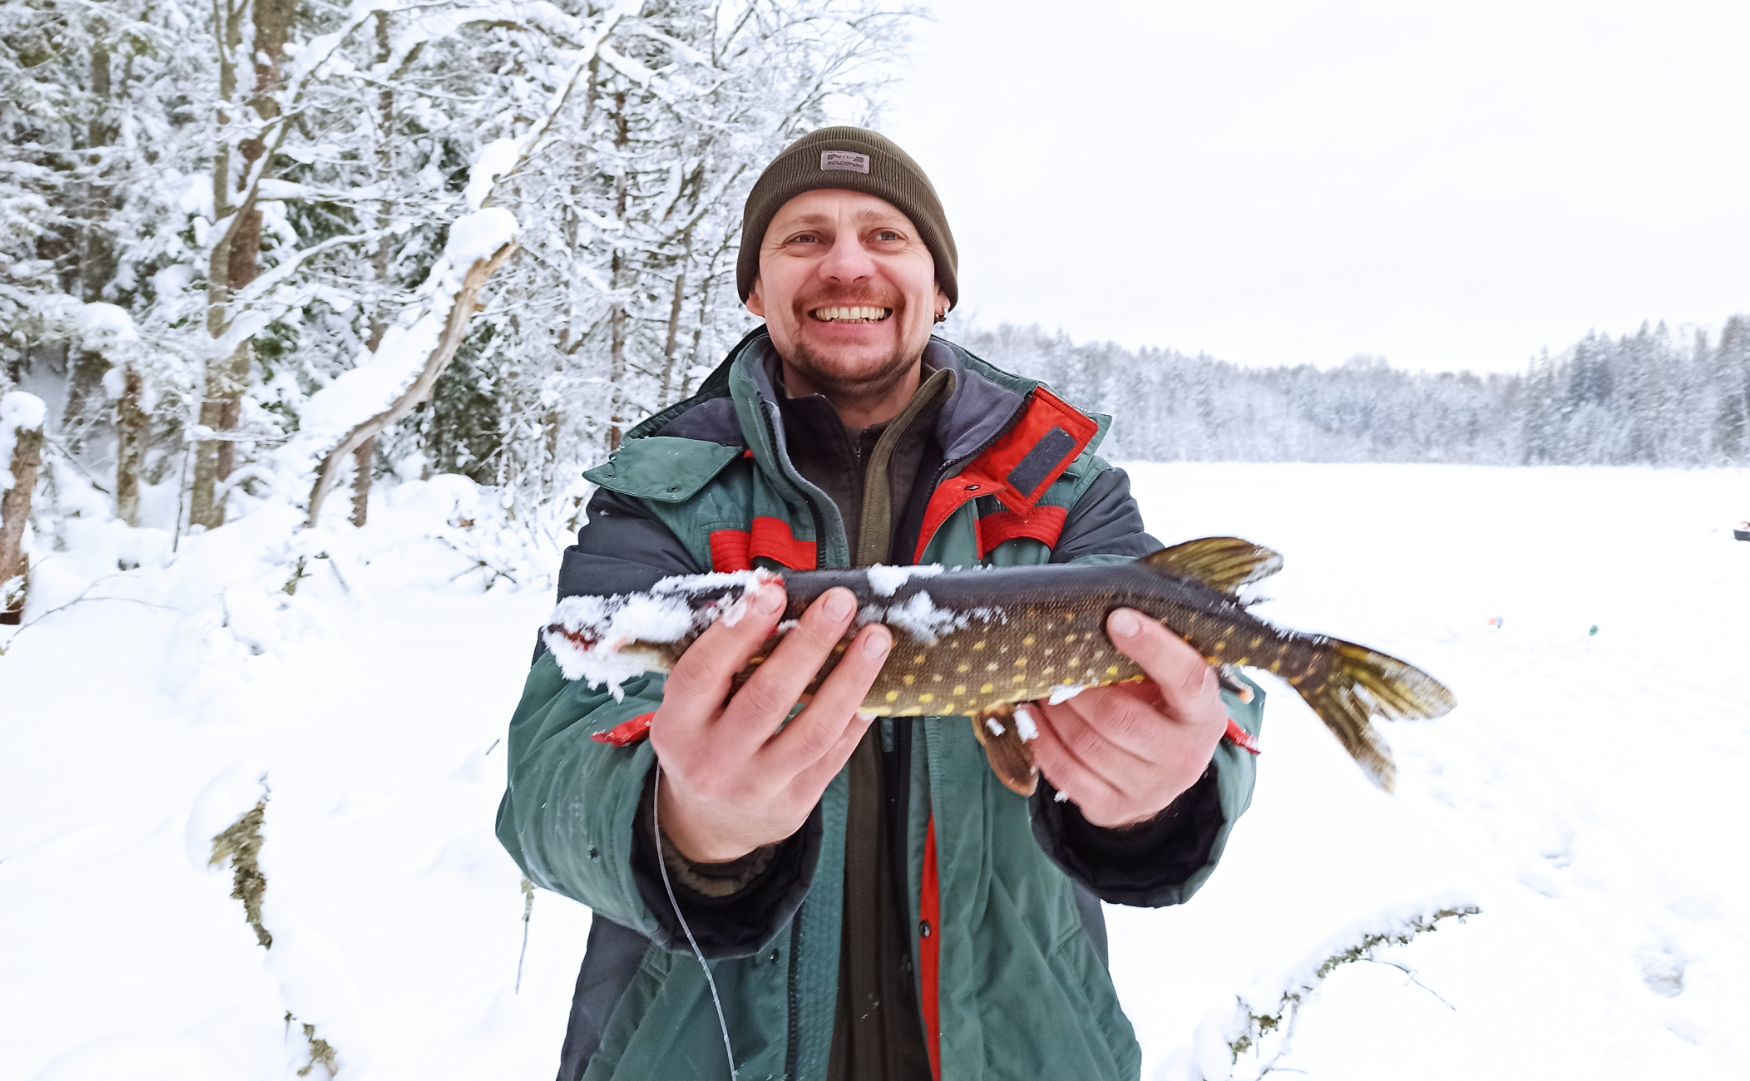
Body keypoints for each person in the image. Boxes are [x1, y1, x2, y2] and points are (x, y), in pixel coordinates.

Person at [496, 127, 1265, 1081]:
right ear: (754, 290)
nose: (846, 262)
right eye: (805, 237)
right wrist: (688, 822)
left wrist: (1165, 792)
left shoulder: (1060, 484)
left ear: (940, 288)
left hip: (1020, 1050)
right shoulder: (661, 492)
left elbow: (1208, 689)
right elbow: (548, 773)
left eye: (886, 236)